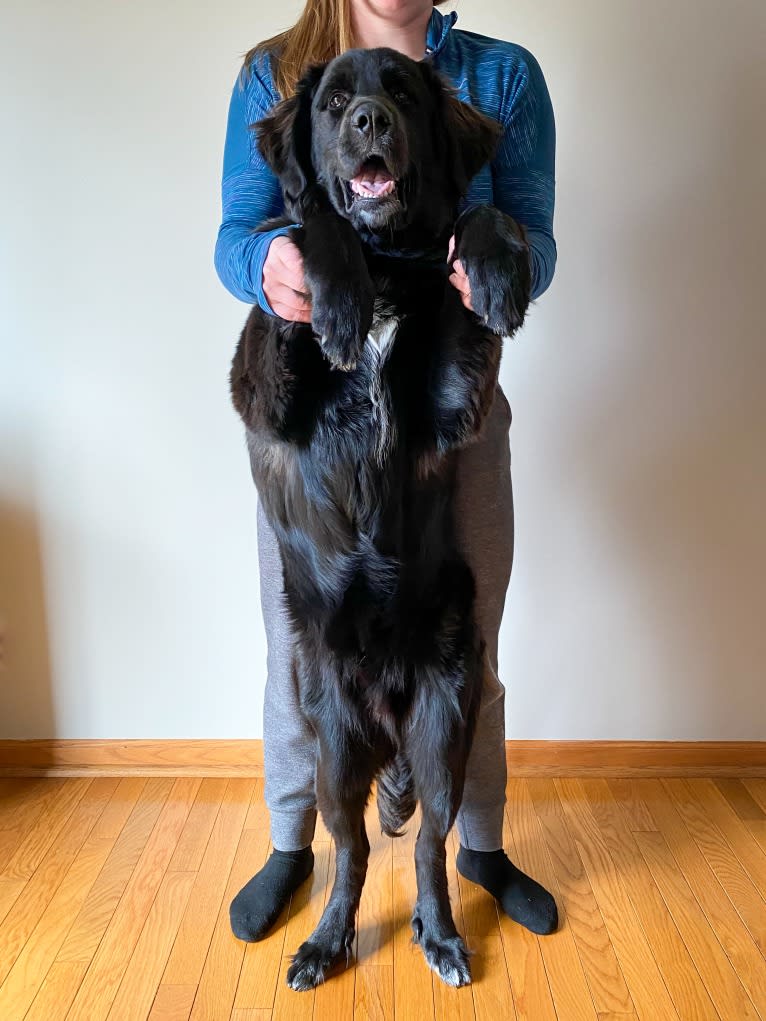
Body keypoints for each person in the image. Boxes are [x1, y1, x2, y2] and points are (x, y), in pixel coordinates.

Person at [215, 0, 558, 942]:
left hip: (448, 411)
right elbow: (235, 236)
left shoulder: (502, 76)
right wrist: (275, 265)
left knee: (467, 646)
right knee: (301, 651)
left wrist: (499, 247)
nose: (370, 120)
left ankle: (476, 846)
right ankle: (296, 844)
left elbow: (541, 240)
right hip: (309, 422)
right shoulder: (277, 70)